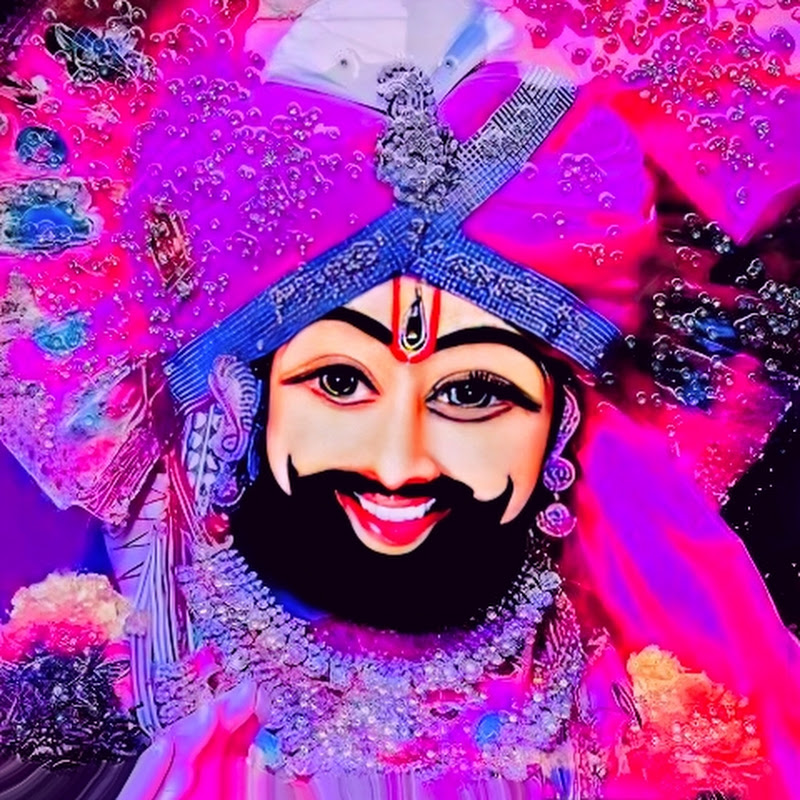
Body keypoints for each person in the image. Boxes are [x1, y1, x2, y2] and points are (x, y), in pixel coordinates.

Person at [1, 0, 800, 798]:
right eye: (341, 383)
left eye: (474, 392)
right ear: (240, 403)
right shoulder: (113, 696)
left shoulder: (650, 723)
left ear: (562, 423)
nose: (398, 462)